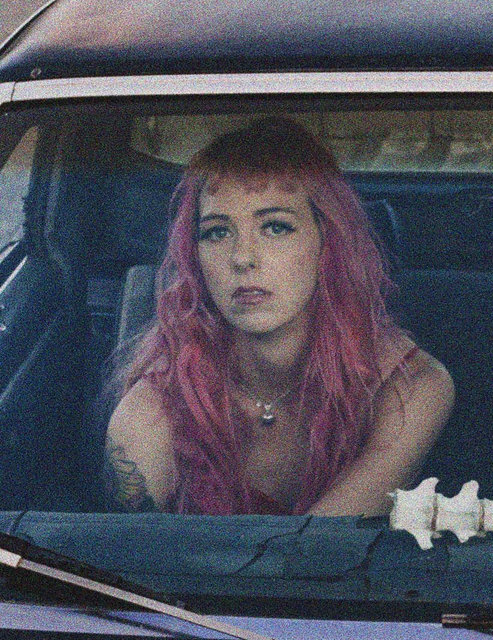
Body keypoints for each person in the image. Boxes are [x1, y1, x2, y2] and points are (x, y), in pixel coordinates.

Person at [104, 117, 454, 515]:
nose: (242, 258)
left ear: (328, 242)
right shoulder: (153, 409)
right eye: (217, 232)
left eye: (275, 227)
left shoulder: (410, 387)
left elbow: (319, 547)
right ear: (194, 257)